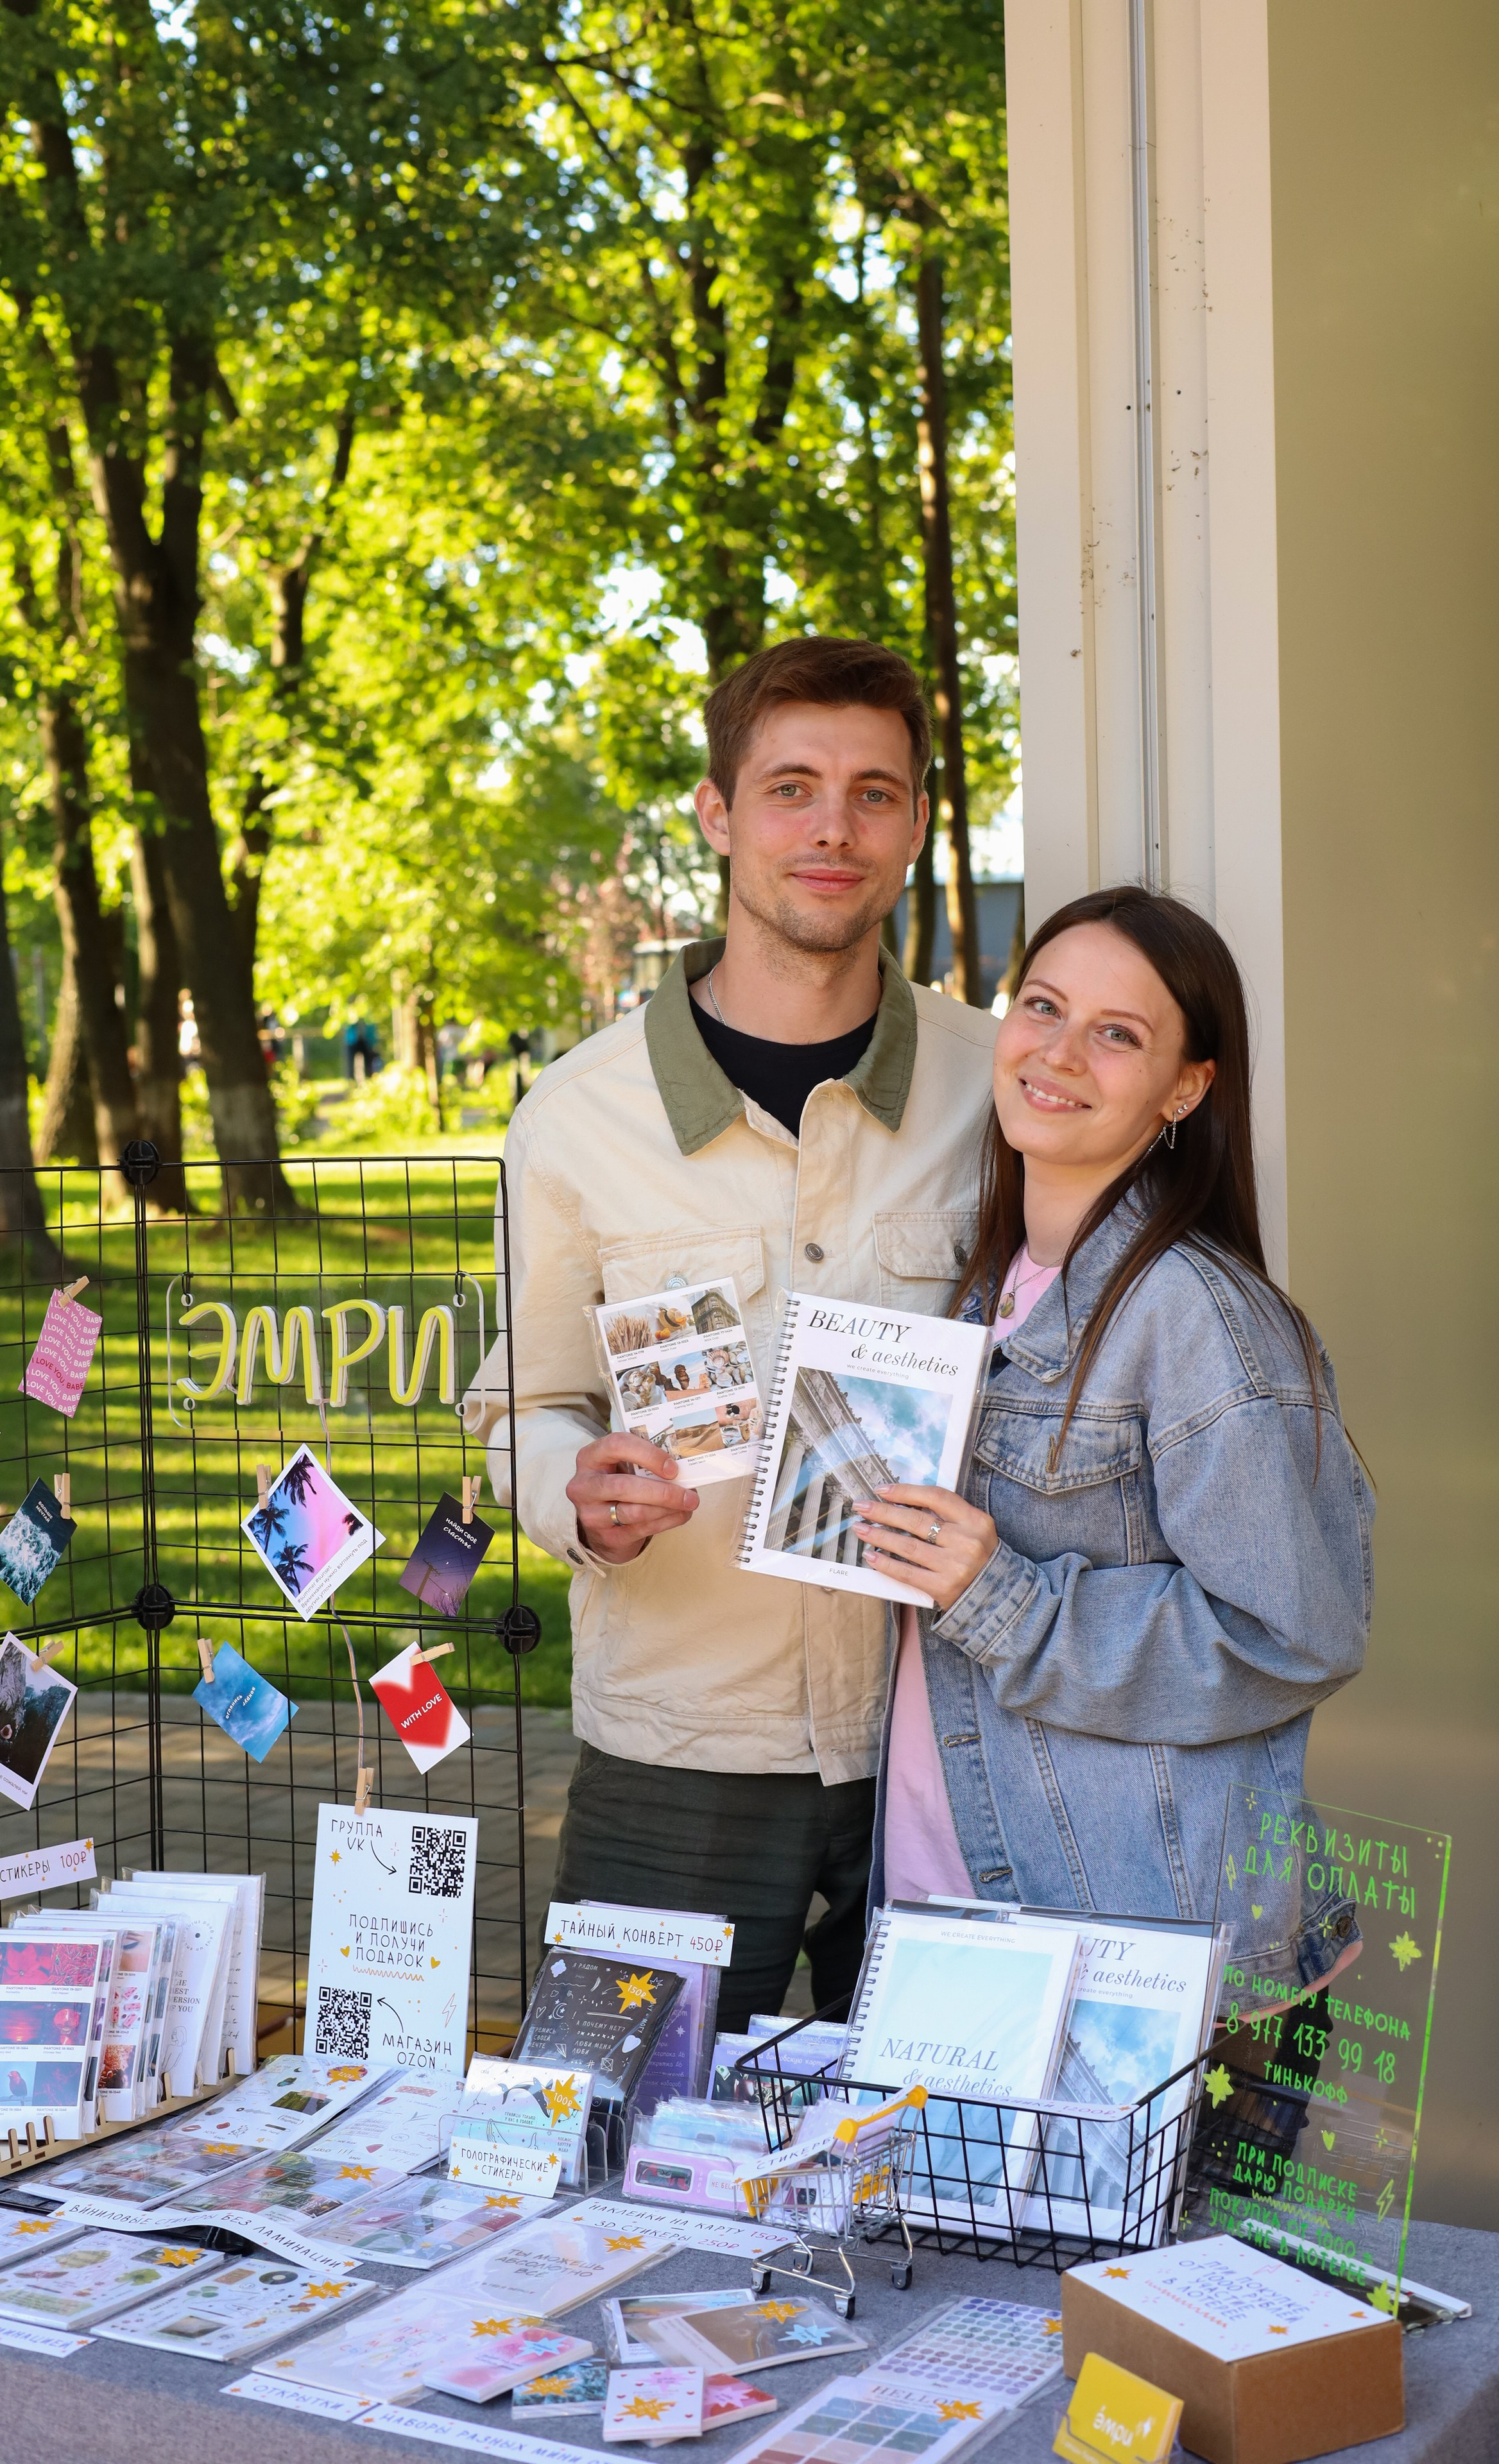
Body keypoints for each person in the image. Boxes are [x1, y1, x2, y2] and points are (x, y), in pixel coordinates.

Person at [463, 636, 997, 2027]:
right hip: (675, 1756)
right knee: (614, 2161)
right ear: (715, 814)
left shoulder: (997, 1088)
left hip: (951, 1751)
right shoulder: (575, 1118)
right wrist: (570, 1493)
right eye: (791, 788)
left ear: (919, 819)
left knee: (936, 2197)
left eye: (876, 792)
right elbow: (523, 1404)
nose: (833, 828)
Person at [853, 886, 1372, 1970]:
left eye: (1118, 1035)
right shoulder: (983, 1288)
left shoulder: (1196, 1317)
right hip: (948, 1911)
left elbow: (1295, 1634)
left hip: (1141, 1955)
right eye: (1042, 1007)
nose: (1061, 1054)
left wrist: (1003, 1600)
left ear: (1186, 1087)